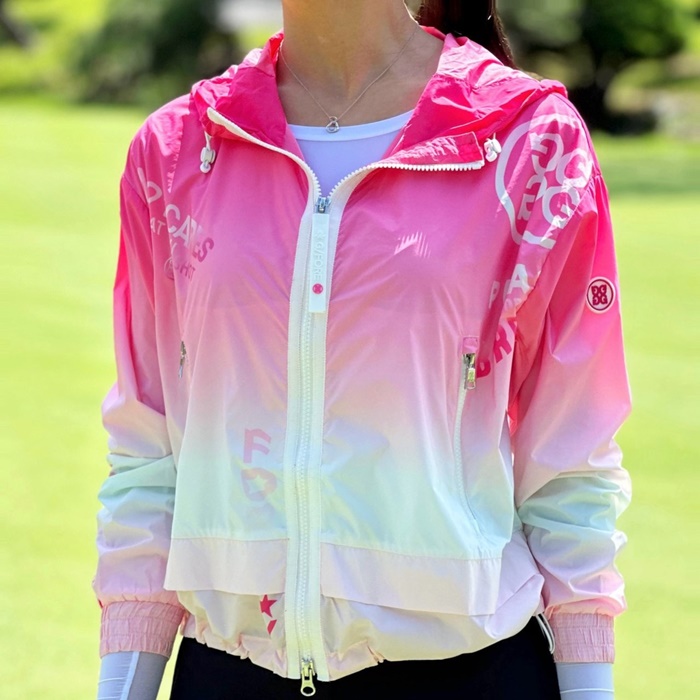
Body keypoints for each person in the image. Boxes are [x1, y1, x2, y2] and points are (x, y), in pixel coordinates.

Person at [94, 1, 632, 698]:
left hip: (469, 676)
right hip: (227, 672)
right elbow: (150, 448)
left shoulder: (532, 141)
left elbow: (571, 456)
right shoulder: (177, 149)